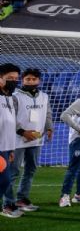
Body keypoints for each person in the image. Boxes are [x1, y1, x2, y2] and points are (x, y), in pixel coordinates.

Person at [4, 68, 53, 213]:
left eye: (34, 79)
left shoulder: (44, 96)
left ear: (39, 81)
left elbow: (48, 113)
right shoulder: (15, 96)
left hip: (36, 140)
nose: (31, 81)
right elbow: (10, 117)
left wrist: (49, 128)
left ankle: (21, 199)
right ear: (22, 80)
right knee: (13, 172)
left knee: (30, 170)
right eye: (27, 79)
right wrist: (23, 132)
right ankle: (8, 203)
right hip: (17, 140)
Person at [0, 64, 21, 218]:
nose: (13, 81)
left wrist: (12, 149)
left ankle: (6, 205)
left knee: (5, 180)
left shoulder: (11, 99)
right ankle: (6, 206)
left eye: (15, 79)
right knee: (5, 179)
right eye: (9, 79)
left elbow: (10, 125)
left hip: (6, 148)